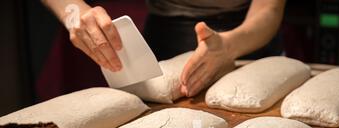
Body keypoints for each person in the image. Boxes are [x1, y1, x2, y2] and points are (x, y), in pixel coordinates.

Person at [41, 0, 286, 97]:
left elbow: (269, 10)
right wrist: (74, 13)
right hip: (166, 29)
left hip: (249, 33)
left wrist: (229, 46)